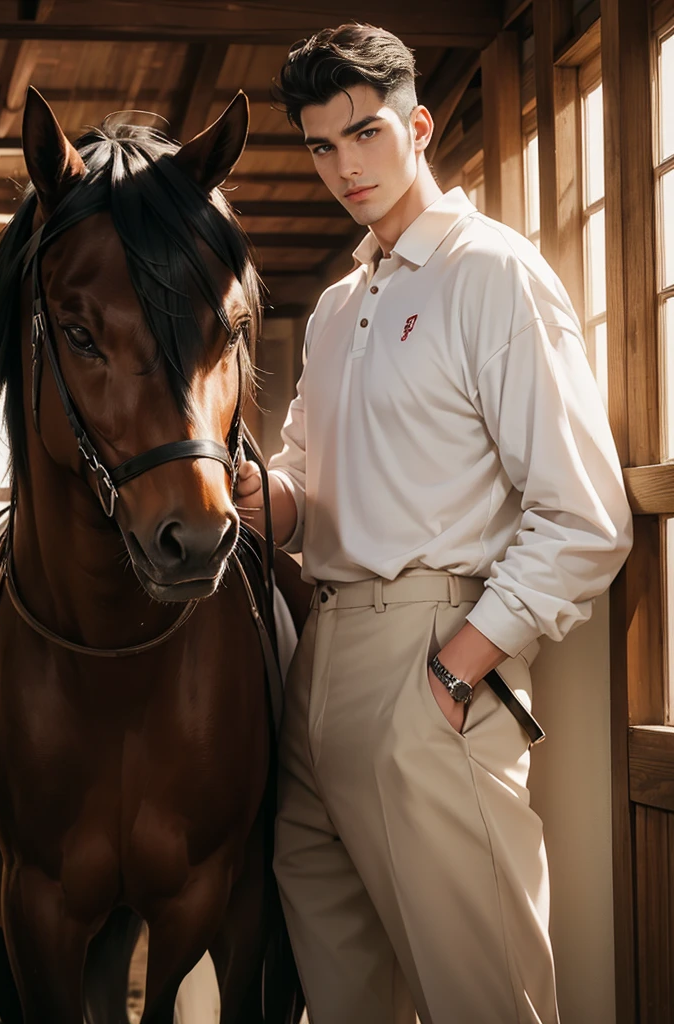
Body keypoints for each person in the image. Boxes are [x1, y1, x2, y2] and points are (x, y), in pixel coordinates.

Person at [236, 22, 633, 1024]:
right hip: (315, 668)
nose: (343, 167)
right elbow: (304, 487)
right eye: (322, 146)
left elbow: (586, 515)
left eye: (364, 134)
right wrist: (252, 494)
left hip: (430, 663)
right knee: (344, 999)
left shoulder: (491, 273)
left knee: (484, 1000)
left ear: (417, 126)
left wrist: (459, 665)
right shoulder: (334, 308)